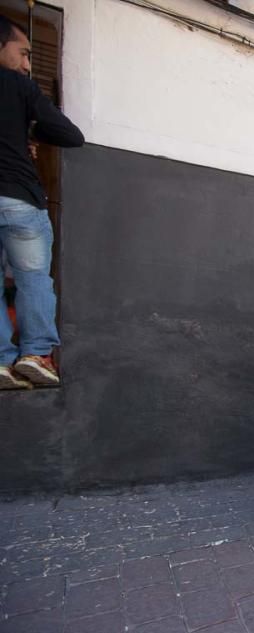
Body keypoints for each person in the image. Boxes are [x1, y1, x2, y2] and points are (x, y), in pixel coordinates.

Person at [0, 17, 85, 389]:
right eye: (23, 53)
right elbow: (70, 135)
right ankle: (35, 354)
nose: (27, 64)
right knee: (33, 279)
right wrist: (29, 129)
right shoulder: (20, 86)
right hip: (18, 198)